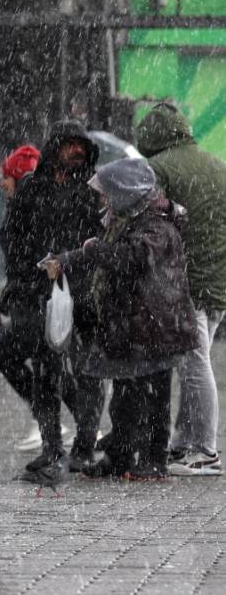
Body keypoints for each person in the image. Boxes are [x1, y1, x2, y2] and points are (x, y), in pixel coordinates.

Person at [43, 158, 198, 480]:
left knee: (153, 397)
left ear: (127, 193)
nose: (104, 200)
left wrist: (94, 249)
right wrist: (70, 258)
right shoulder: (129, 219)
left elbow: (132, 258)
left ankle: (154, 459)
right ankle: (121, 454)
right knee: (126, 395)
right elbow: (110, 253)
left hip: (154, 328)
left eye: (108, 193)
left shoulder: (156, 224)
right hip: (134, 326)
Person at [5, 120, 105, 472]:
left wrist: (75, 266)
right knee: (46, 372)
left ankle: (85, 443)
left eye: (82, 146)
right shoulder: (32, 190)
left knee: (89, 369)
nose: (77, 151)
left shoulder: (95, 190)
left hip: (86, 293)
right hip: (41, 294)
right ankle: (51, 446)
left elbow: (103, 243)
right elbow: (11, 238)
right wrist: (26, 276)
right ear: (56, 148)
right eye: (70, 145)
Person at [135, 103, 226, 476]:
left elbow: (151, 220)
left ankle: (205, 449)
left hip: (186, 281)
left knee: (193, 364)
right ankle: (183, 442)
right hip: (220, 279)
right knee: (195, 359)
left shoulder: (159, 168)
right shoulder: (215, 163)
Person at [0, 144, 45, 451]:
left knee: (12, 358)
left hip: (32, 299)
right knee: (45, 364)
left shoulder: (25, 204)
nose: (2, 183)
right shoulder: (31, 200)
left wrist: (18, 288)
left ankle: (54, 422)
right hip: (30, 296)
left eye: (6, 176)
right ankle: (61, 423)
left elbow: (25, 257)